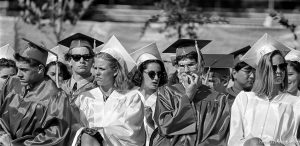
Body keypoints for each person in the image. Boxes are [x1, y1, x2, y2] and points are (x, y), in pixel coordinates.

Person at [151, 39, 230, 146]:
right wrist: (188, 96)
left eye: (191, 64)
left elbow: (221, 134)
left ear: (201, 65)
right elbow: (165, 128)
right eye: (182, 66)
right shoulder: (167, 93)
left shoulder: (218, 99)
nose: (186, 70)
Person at [0, 38, 78, 145]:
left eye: (24, 70)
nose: (18, 74)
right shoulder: (12, 83)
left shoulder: (56, 96)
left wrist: (14, 144)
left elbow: (55, 136)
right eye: (18, 69)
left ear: (40, 69)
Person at [72, 35, 145, 146]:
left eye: (102, 69)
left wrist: (98, 132)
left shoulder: (131, 97)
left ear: (115, 71)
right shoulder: (85, 97)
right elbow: (78, 128)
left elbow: (131, 132)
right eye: (95, 68)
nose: (97, 73)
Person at [228, 34, 298, 146]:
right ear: (262, 70)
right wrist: (247, 144)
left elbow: (295, 140)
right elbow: (234, 139)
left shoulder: (295, 103)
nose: (279, 71)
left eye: (282, 66)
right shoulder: (244, 99)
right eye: (274, 67)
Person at [130, 42, 168, 146]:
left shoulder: (165, 100)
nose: (156, 78)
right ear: (140, 74)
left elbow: (169, 134)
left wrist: (151, 122)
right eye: (151, 74)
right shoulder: (128, 98)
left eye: (159, 74)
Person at [58, 33, 103, 102]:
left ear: (93, 60)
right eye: (76, 57)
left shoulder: (100, 88)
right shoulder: (59, 87)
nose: (82, 61)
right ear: (69, 60)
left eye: (86, 57)